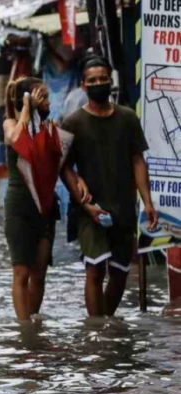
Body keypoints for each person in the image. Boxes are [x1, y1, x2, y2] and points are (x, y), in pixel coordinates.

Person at [61, 56, 158, 317]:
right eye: (92, 80)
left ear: (110, 81)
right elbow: (62, 166)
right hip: (89, 209)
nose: (98, 83)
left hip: (123, 207)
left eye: (103, 79)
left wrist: (147, 202)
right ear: (83, 85)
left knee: (119, 274)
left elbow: (138, 160)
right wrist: (84, 201)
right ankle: (96, 330)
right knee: (94, 269)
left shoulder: (127, 117)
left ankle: (105, 325)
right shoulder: (72, 123)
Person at [3, 78, 86, 321]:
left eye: (47, 97)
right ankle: (24, 329)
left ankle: (33, 323)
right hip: (20, 207)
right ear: (27, 99)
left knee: (39, 273)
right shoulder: (11, 123)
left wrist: (78, 181)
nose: (48, 102)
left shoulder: (50, 129)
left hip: (46, 208)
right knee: (21, 271)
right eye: (42, 97)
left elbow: (60, 165)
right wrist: (27, 108)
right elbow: (16, 139)